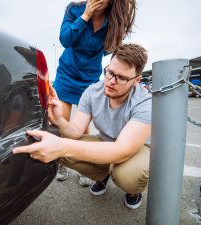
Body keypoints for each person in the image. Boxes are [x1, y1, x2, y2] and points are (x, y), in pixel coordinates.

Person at [13, 43, 151, 209]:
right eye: (110, 72)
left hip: (135, 149)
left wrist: (63, 146)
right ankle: (103, 176)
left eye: (121, 78)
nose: (111, 81)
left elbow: (122, 150)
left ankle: (133, 192)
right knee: (62, 144)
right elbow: (76, 132)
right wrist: (59, 120)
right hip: (106, 142)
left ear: (136, 80)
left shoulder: (145, 101)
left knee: (129, 177)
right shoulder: (92, 91)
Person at [54, 0, 137, 185]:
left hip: (89, 77)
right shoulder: (74, 9)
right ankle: (60, 161)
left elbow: (108, 50)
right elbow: (65, 39)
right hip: (67, 73)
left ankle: (84, 164)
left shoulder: (112, 20)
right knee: (62, 119)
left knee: (83, 126)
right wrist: (85, 17)